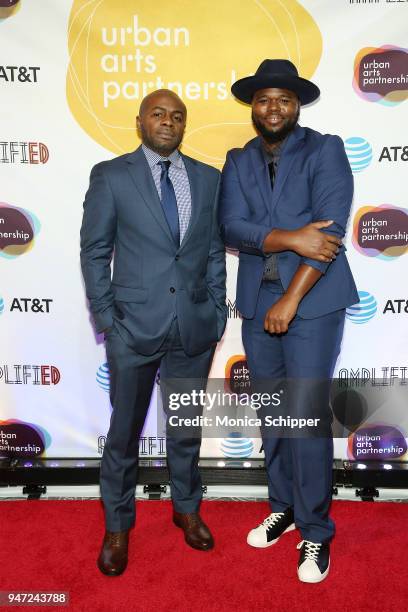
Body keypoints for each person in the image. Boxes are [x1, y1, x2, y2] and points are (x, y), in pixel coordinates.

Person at [219, 60, 358, 583]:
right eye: (263, 99)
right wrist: (291, 235)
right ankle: (283, 506)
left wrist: (291, 300)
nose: (272, 108)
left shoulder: (325, 149)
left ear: (297, 105)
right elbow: (231, 226)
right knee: (275, 416)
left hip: (312, 304)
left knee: (304, 418)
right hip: (257, 301)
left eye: (283, 99)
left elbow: (328, 233)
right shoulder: (237, 159)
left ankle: (316, 532)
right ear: (251, 106)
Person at [80, 89, 227, 576]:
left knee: (184, 430)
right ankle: (118, 526)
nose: (168, 122)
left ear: (185, 125)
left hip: (193, 328)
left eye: (177, 116)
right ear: (140, 120)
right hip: (132, 330)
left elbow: (209, 252)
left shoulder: (208, 179)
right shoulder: (112, 176)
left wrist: (216, 313)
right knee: (124, 433)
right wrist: (107, 320)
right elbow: (95, 252)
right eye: (158, 114)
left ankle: (186, 509)